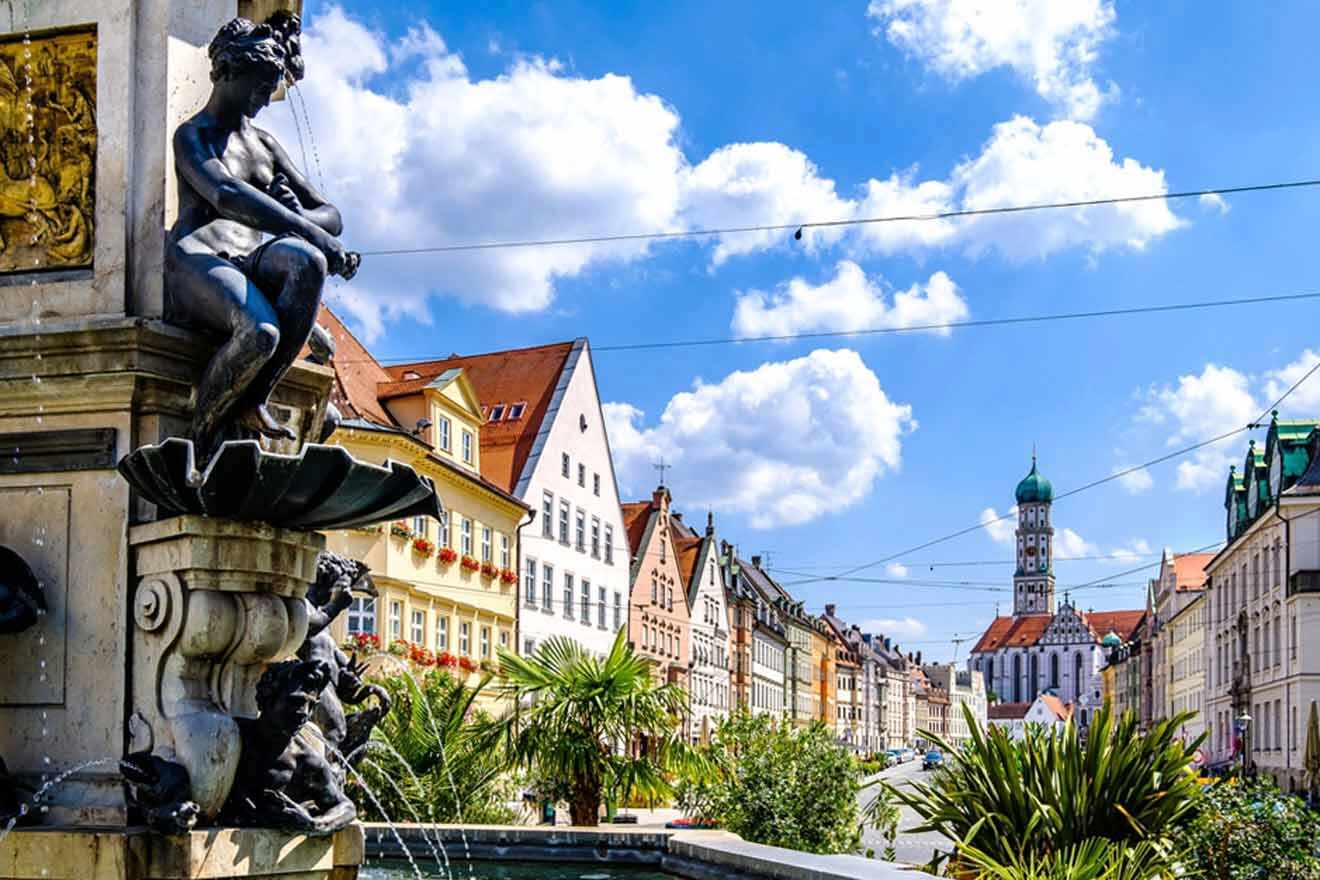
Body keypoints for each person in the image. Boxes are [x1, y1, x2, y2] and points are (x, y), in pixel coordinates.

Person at [165, 16, 358, 485]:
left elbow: (330, 214)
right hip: (200, 255)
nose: (262, 100)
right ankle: (202, 436)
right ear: (228, 71)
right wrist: (303, 225)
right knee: (259, 333)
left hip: (253, 257)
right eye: (257, 87)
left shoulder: (263, 143)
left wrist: (310, 228)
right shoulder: (194, 136)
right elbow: (226, 196)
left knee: (307, 262)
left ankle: (254, 395)